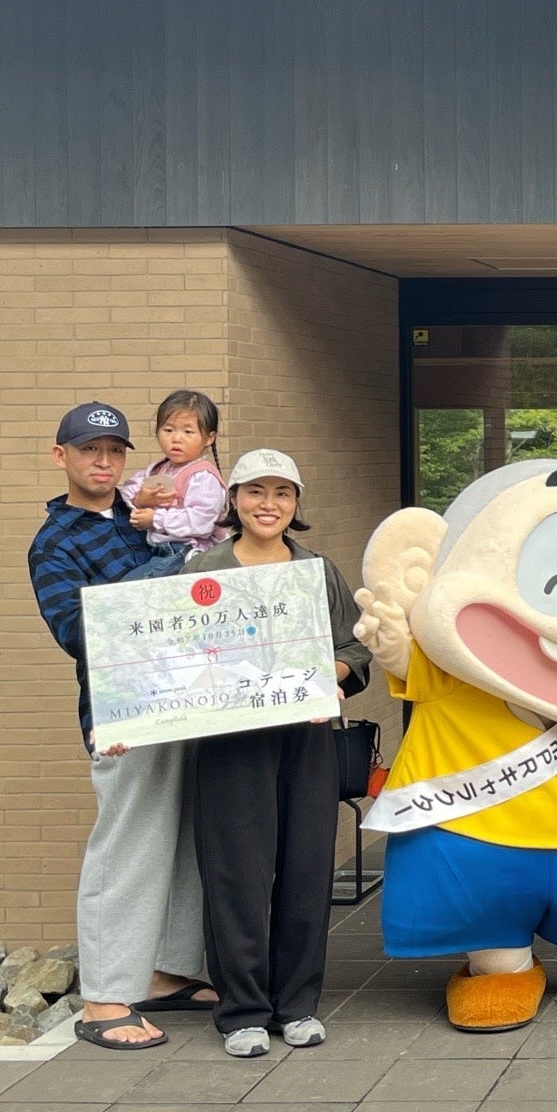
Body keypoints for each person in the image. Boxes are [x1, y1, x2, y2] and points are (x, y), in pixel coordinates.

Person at [28, 401, 216, 1050]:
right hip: (123, 717)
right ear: (62, 457)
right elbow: (81, 632)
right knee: (127, 846)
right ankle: (105, 999)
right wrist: (173, 569)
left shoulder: (137, 521)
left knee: (186, 840)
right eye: (89, 450)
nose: (104, 462)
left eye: (114, 451)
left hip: (185, 702)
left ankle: (165, 973)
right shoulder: (53, 545)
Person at [186, 450, 371, 1056]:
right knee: (235, 873)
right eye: (256, 492)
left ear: (296, 505)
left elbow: (355, 649)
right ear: (234, 500)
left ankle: (296, 1006)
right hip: (229, 742)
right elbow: (171, 658)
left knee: (306, 867)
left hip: (306, 736)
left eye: (283, 493)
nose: (270, 504)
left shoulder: (317, 570)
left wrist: (331, 673)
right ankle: (241, 1010)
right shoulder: (201, 569)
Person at [118, 389, 229, 577]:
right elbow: (126, 491)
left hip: (184, 551)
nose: (176, 438)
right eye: (168, 430)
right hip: (159, 549)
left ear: (209, 438)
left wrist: (155, 519)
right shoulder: (158, 469)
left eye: (188, 431)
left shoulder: (202, 476)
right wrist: (140, 500)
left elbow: (202, 521)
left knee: (132, 586)